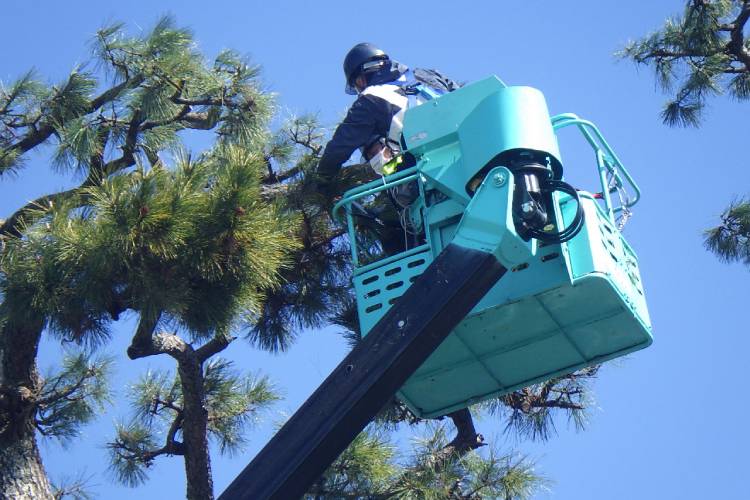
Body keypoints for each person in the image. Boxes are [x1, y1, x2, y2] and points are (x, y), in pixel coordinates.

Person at [316, 43, 460, 200]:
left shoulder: (370, 99)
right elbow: (466, 96)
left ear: (362, 78)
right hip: (469, 154)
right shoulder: (428, 75)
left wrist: (320, 182)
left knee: (391, 200)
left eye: (357, 84)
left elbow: (339, 147)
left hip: (427, 176)